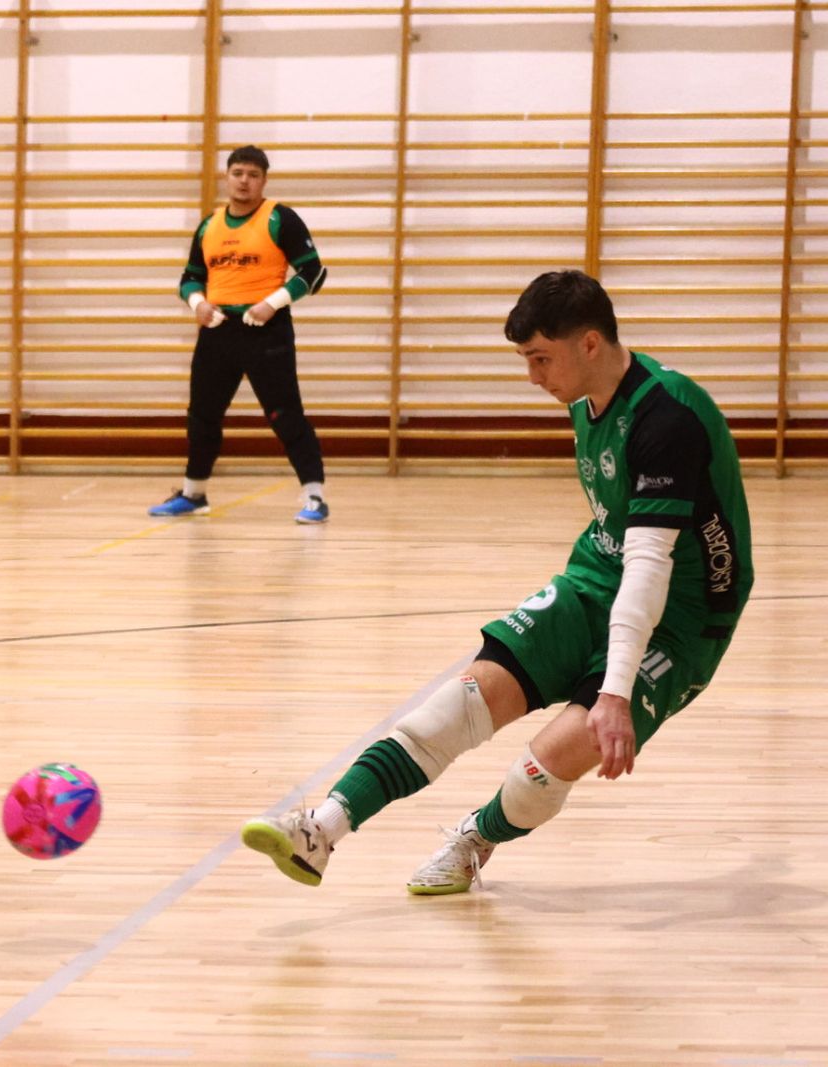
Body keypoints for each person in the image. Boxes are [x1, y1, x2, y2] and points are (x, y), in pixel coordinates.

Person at [241, 270, 753, 894]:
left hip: (684, 615)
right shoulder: (585, 394)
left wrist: (614, 695)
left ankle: (474, 841)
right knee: (459, 704)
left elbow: (650, 568)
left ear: (589, 344)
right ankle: (320, 831)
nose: (532, 376)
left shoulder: (666, 420)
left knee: (549, 762)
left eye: (541, 359)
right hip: (598, 575)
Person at [148, 145, 330, 524]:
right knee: (203, 415)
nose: (244, 181)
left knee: (284, 414)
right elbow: (190, 276)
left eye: (253, 174)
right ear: (226, 176)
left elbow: (313, 272)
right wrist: (197, 303)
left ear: (264, 180)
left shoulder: (280, 218)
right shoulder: (209, 225)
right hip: (218, 332)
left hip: (266, 330)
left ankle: (314, 497)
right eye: (238, 173)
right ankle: (193, 493)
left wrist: (273, 303)